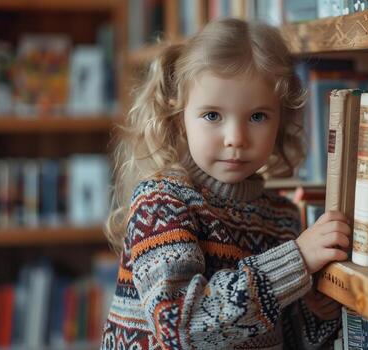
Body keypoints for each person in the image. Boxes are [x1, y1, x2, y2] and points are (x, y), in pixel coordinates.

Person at [101, 18, 351, 350]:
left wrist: (314, 314)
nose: (235, 138)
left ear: (281, 121)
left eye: (258, 116)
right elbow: (181, 326)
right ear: (180, 121)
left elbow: (275, 334)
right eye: (213, 116)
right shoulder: (162, 201)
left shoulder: (281, 216)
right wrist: (297, 261)